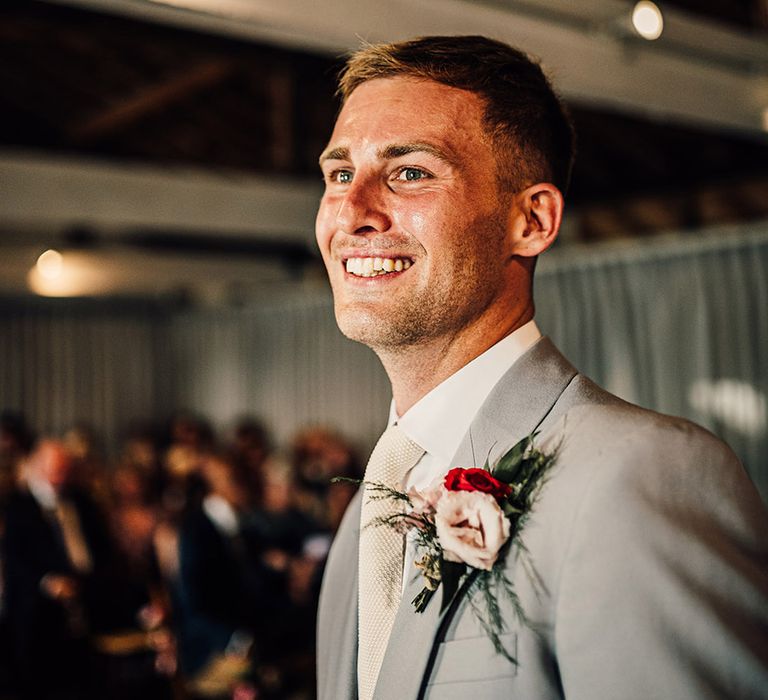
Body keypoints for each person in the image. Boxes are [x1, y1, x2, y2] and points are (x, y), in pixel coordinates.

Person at [314, 35, 768, 700]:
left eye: (410, 172)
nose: (352, 213)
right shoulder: (372, 505)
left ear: (531, 219)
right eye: (338, 174)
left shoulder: (641, 476)